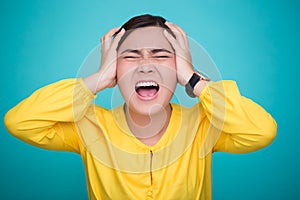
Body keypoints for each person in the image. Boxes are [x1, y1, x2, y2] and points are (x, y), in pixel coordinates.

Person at [4, 14, 277, 200]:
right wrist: (98, 79)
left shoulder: (203, 124)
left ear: (178, 67)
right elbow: (20, 121)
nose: (146, 65)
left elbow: (261, 131)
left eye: (161, 56)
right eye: (131, 56)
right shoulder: (89, 127)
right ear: (115, 69)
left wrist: (193, 79)